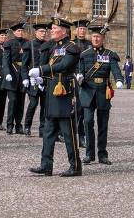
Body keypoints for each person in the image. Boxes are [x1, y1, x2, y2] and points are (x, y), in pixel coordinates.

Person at [28, 17, 83, 177]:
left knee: (68, 132)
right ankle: (46, 165)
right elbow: (54, 68)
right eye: (51, 28)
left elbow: (63, 66)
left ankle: (75, 166)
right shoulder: (54, 47)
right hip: (52, 92)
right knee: (48, 131)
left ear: (64, 31)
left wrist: (41, 70)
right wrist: (41, 79)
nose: (51, 31)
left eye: (54, 28)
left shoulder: (72, 47)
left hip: (65, 92)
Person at [78, 24, 124, 165]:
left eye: (98, 36)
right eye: (93, 36)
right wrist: (79, 76)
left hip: (103, 91)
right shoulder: (84, 55)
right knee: (87, 122)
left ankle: (102, 154)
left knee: (103, 124)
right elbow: (80, 70)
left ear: (103, 38)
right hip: (87, 90)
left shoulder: (110, 55)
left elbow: (115, 70)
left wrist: (119, 80)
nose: (96, 39)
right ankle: (89, 154)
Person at [22, 20, 50, 137]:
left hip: (44, 79)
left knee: (45, 106)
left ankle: (42, 129)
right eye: (41, 31)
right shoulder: (30, 45)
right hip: (33, 79)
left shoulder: (48, 45)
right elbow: (24, 64)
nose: (43, 33)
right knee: (33, 104)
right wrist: (26, 78)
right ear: (36, 32)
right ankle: (27, 126)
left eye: (45, 31)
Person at [3, 22, 26, 135]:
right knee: (12, 101)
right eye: (18, 31)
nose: (20, 32)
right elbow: (6, 60)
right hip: (12, 75)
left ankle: (18, 125)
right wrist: (7, 73)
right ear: (14, 32)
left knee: (21, 102)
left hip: (23, 75)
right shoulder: (9, 44)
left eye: (22, 31)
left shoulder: (27, 43)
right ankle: (9, 124)